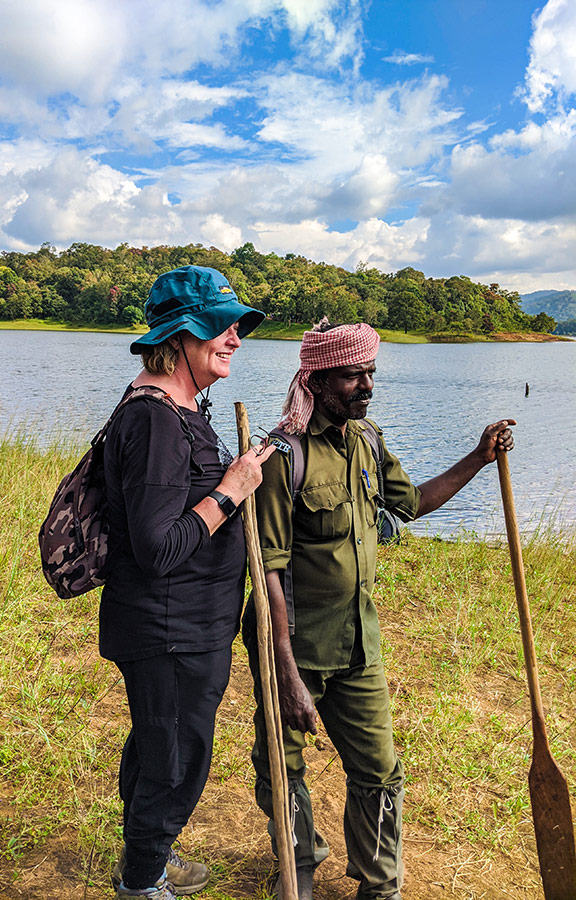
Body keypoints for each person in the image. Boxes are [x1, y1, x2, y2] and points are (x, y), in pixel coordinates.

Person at [243, 320, 514, 900]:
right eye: (352, 375)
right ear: (316, 380)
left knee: (379, 769)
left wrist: (478, 457)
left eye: (370, 373)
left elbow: (411, 503)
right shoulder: (279, 457)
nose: (366, 385)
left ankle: (379, 883)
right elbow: (266, 571)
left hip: (357, 642)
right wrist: (286, 674)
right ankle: (302, 868)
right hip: (293, 645)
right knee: (281, 766)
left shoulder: (367, 441)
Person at [99, 265, 275, 900]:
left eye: (236, 327)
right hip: (168, 629)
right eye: (219, 327)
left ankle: (149, 856)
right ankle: (142, 884)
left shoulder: (179, 406)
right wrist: (229, 493)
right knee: (172, 763)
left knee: (158, 748)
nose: (233, 337)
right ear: (178, 337)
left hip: (189, 625)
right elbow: (157, 546)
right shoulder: (154, 420)